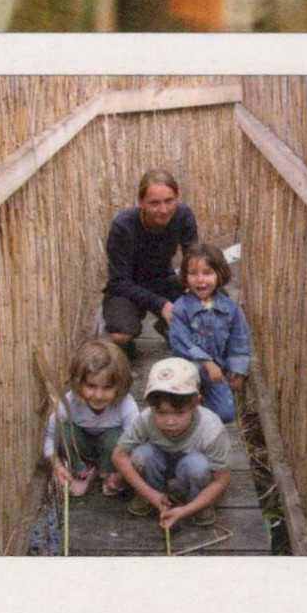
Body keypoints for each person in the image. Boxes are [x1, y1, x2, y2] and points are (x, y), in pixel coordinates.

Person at [111, 357, 233, 529]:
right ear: (152, 408)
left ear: (196, 402)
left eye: (179, 413)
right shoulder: (146, 419)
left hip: (191, 467)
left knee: (197, 466)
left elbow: (222, 479)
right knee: (141, 455)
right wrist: (150, 494)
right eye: (161, 413)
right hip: (159, 463)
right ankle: (154, 495)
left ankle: (196, 502)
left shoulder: (211, 429)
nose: (170, 422)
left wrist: (185, 511)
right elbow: (119, 455)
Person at [102, 169, 198, 358]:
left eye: (169, 201)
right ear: (140, 203)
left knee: (211, 304)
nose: (163, 210)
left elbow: (193, 262)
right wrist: (162, 305)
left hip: (164, 280)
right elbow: (118, 282)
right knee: (120, 334)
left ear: (177, 197)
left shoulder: (183, 216)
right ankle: (127, 344)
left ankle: (166, 325)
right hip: (127, 288)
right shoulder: (122, 227)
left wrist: (193, 291)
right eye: (154, 203)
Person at [167, 242, 251, 423]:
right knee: (180, 410)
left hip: (217, 373)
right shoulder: (181, 308)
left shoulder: (230, 309)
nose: (200, 280)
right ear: (185, 276)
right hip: (188, 370)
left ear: (219, 275)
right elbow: (180, 343)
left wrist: (238, 371)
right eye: (193, 273)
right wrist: (206, 362)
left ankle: (204, 404)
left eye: (207, 273)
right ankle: (192, 404)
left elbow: (239, 340)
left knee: (226, 414)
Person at [42, 338, 137, 497]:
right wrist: (56, 465)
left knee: (119, 437)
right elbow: (51, 436)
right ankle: (81, 470)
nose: (99, 395)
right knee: (63, 431)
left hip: (112, 454)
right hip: (82, 447)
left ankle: (108, 472)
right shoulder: (69, 403)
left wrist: (122, 474)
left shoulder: (126, 405)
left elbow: (137, 442)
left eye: (108, 388)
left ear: (120, 386)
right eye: (91, 386)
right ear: (78, 382)